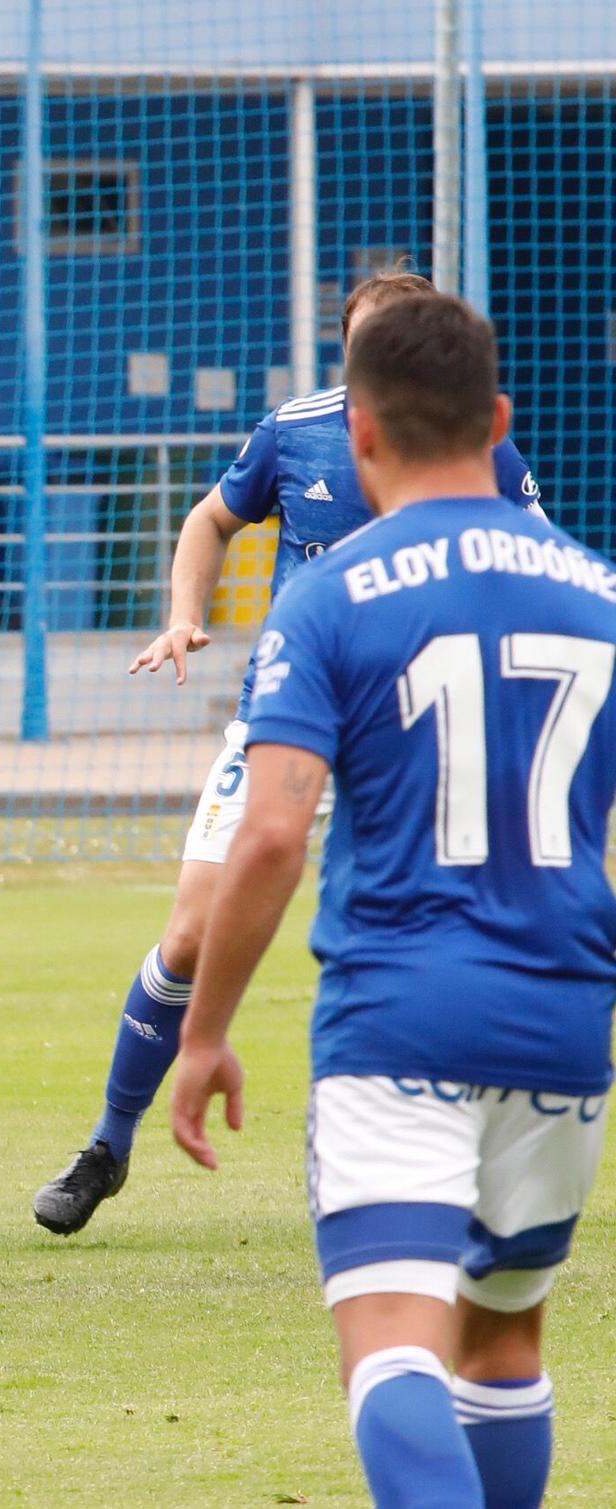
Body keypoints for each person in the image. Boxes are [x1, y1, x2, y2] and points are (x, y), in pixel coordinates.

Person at [168, 292, 616, 1507]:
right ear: (501, 419)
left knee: (393, 1345)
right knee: (503, 1339)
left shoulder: (330, 596)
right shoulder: (596, 593)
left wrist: (203, 1034)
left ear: (359, 434)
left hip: (396, 1017)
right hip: (565, 1022)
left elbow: (268, 835)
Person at [30, 267, 544, 1236]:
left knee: (444, 927)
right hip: (294, 713)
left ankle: (458, 1157)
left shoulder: (480, 449)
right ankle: (107, 1142)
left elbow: (528, 561)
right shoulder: (293, 428)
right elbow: (207, 520)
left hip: (419, 723)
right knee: (190, 928)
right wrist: (184, 614)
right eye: (363, 349)